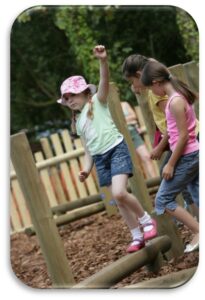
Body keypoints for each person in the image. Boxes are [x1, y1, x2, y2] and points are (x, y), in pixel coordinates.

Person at [57, 45, 157, 253]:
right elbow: (88, 149)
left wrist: (103, 61)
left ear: (85, 93)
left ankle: (146, 220)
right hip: (100, 159)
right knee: (118, 201)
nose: (70, 101)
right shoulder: (77, 122)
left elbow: (103, 82)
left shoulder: (97, 102)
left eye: (72, 95)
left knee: (120, 193)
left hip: (116, 150)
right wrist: (86, 169)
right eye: (66, 99)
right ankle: (136, 235)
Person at [122, 54, 199, 220]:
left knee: (171, 177)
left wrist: (159, 147)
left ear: (140, 74)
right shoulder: (156, 87)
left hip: (188, 141)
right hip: (186, 141)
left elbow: (176, 128)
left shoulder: (162, 95)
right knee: (189, 183)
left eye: (132, 81)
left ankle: (195, 218)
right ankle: (195, 216)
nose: (133, 86)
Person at [140, 60, 199, 253]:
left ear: (157, 82)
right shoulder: (177, 97)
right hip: (192, 154)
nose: (152, 92)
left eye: (150, 88)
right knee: (198, 195)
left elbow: (183, 136)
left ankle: (199, 231)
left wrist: (171, 164)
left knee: (163, 200)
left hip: (187, 156)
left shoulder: (175, 101)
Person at [121, 101, 157, 178]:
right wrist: (128, 120)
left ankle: (156, 181)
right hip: (122, 138)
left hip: (133, 133)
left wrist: (122, 120)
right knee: (128, 165)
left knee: (147, 157)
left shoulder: (125, 104)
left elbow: (134, 116)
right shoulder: (107, 109)